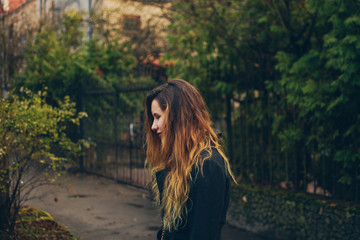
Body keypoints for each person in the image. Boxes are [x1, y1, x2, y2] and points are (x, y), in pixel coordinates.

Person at [144, 79, 236, 240]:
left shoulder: (207, 166)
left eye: (157, 117)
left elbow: (203, 233)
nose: (153, 126)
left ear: (177, 116)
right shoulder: (182, 161)